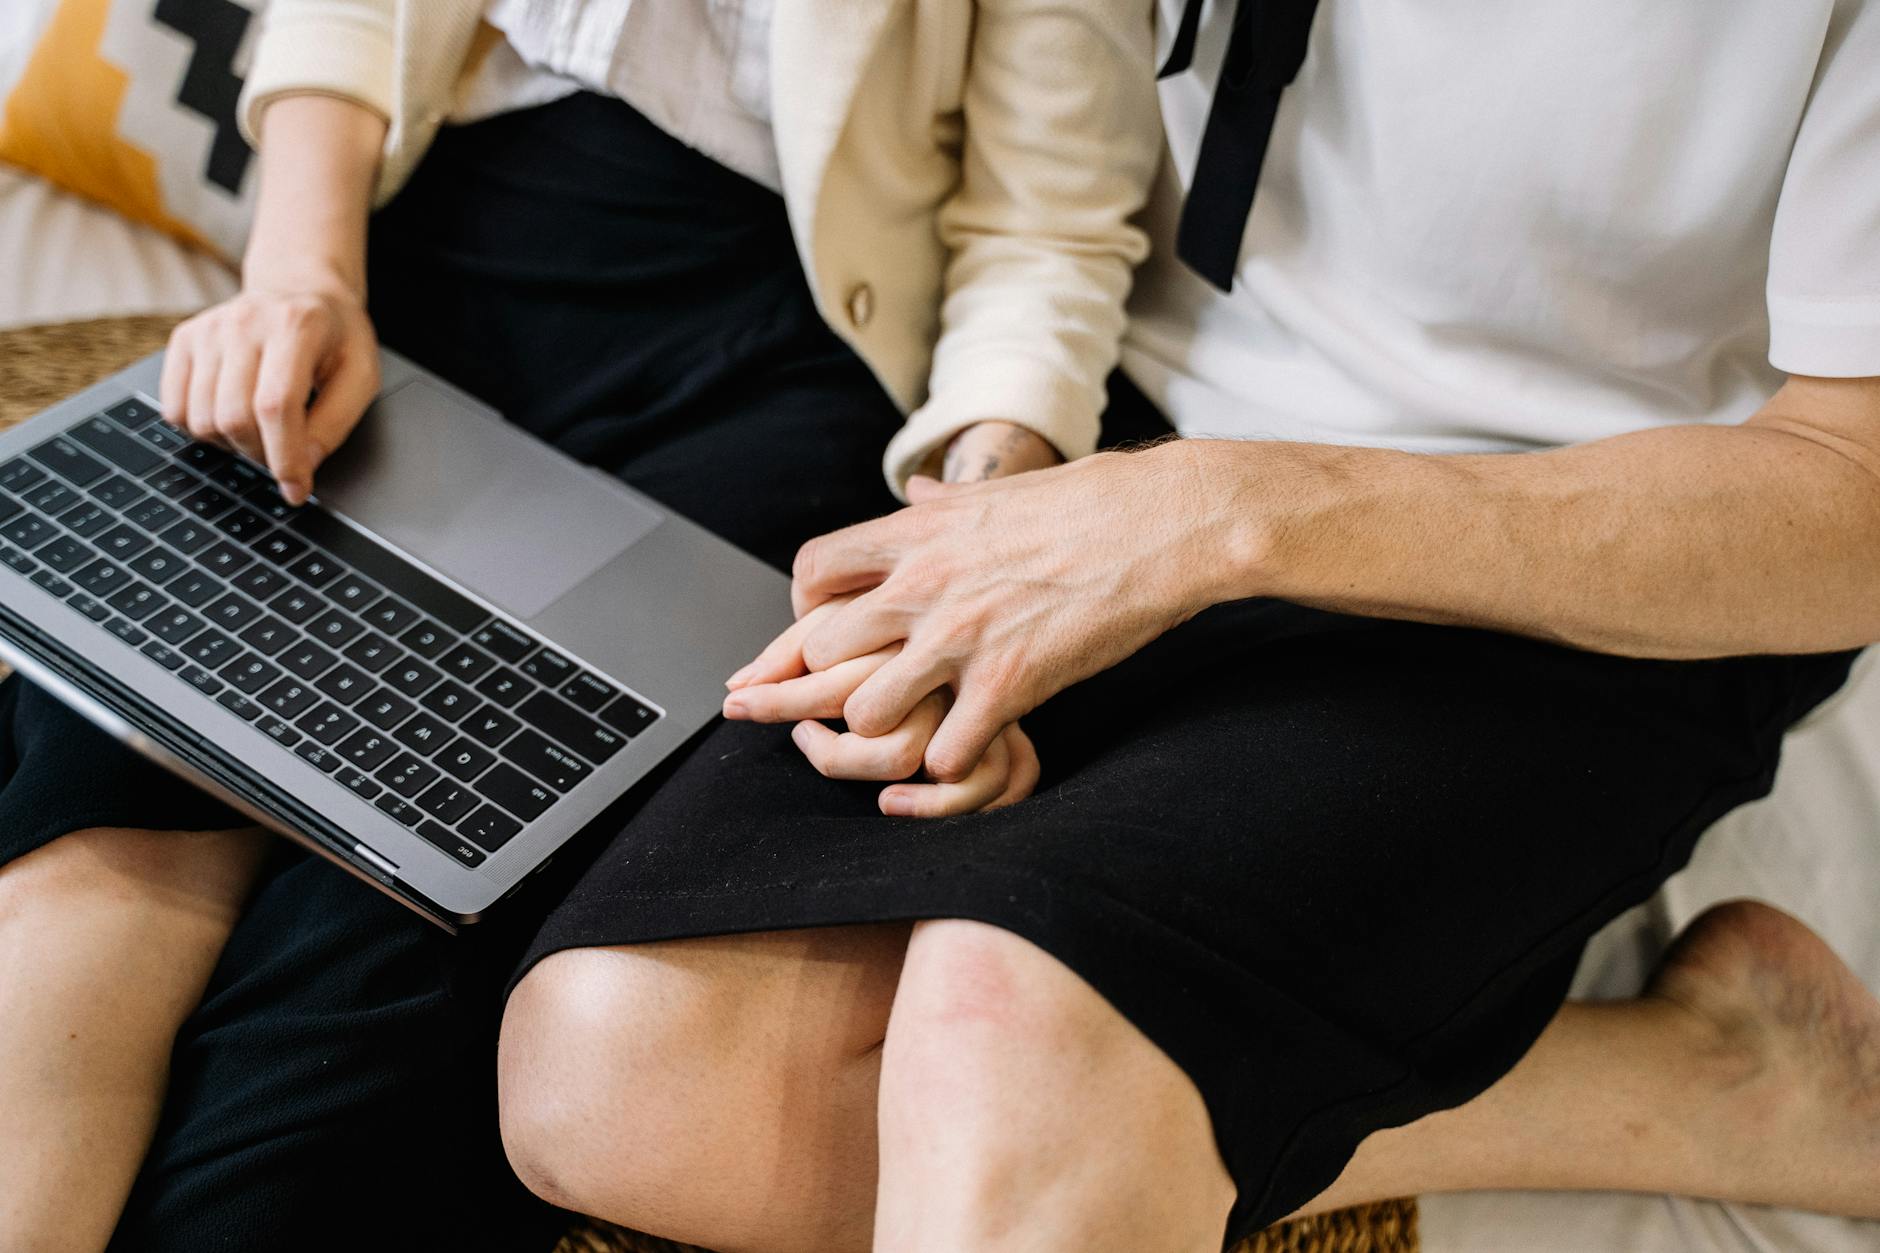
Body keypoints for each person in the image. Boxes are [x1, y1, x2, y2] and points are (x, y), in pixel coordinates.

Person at [493, 1, 1880, 1251]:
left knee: (1007, 1033)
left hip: (1574, 544)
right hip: (1127, 431)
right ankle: (1710, 1080)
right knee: (609, 1074)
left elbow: (1854, 498)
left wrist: (1218, 518)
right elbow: (1062, 156)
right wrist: (999, 524)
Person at [0, 0, 1161, 1247]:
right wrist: (299, 278)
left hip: (786, 350)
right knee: (87, 851)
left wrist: (969, 549)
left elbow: (1043, 229)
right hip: (414, 261)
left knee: (381, 946)